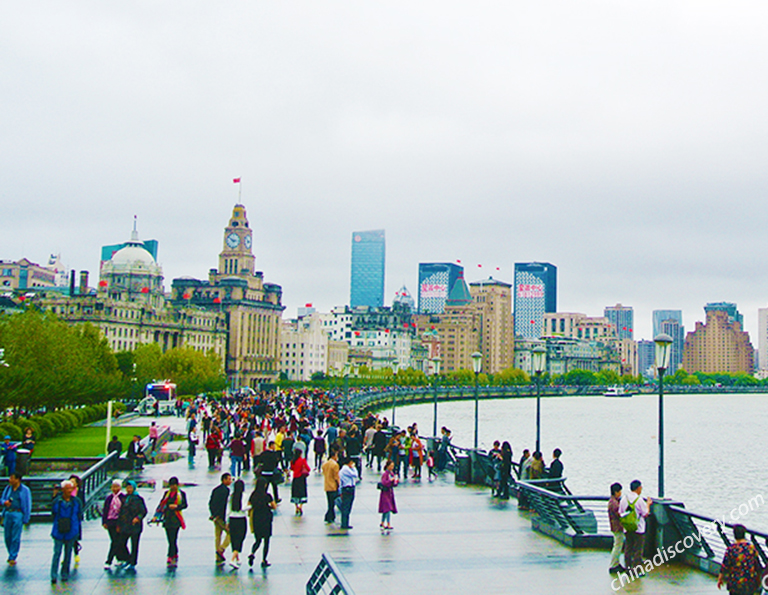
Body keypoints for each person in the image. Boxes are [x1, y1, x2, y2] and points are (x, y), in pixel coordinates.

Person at [50, 480, 83, 584]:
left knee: (68, 553)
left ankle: (65, 573)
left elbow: (79, 515)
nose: (69, 490)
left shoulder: (76, 501)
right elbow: (53, 513)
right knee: (57, 552)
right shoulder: (57, 501)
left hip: (72, 530)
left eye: (71, 488)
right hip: (58, 530)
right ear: (63, 489)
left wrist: (77, 531)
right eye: (67, 488)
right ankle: (54, 574)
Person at [717, 524, 762, 594]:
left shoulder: (731, 549)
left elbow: (725, 565)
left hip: (735, 583)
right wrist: (759, 580)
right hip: (749, 583)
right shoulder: (751, 548)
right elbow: (757, 565)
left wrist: (720, 578)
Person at [619, 479, 652, 571]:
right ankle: (636, 570)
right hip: (639, 529)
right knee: (638, 550)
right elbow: (645, 513)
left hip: (627, 528)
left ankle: (628, 568)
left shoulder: (624, 499)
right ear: (638, 488)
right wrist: (648, 505)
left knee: (628, 548)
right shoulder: (639, 500)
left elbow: (620, 512)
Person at [156, 476, 187, 568]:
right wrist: (156, 516)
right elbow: (162, 504)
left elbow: (185, 505)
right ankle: (174, 553)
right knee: (170, 538)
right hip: (167, 519)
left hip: (176, 519)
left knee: (173, 538)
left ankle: (170, 555)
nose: (173, 487)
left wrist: (177, 507)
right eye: (171, 485)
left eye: (174, 485)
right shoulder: (167, 494)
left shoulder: (181, 494)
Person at [2, 472, 31, 566]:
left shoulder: (24, 490)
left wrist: (26, 517)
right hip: (8, 513)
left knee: (15, 536)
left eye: (12, 478)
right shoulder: (8, 489)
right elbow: (2, 499)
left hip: (18, 513)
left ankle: (12, 556)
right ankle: (10, 551)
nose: (10, 480)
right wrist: (4, 502)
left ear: (17, 479)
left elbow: (27, 504)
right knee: (7, 536)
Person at [117, 479, 147, 571]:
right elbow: (121, 512)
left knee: (134, 544)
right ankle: (127, 558)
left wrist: (138, 518)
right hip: (125, 524)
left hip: (135, 526)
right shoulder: (124, 498)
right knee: (121, 543)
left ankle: (133, 562)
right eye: (127, 487)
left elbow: (143, 511)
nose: (128, 489)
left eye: (130, 487)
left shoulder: (138, 499)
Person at [248, 477, 277, 568]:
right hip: (266, 518)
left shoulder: (253, 495)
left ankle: (252, 553)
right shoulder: (267, 496)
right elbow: (274, 506)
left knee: (258, 540)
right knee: (266, 540)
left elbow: (249, 505)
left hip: (256, 518)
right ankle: (264, 560)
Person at [101, 480, 125, 569]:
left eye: (117, 487)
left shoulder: (123, 497)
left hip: (119, 523)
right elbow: (105, 510)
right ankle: (122, 558)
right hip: (110, 522)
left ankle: (109, 560)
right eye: (113, 487)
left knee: (115, 541)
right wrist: (104, 522)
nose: (115, 489)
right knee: (115, 541)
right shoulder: (109, 498)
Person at [209, 473, 232, 564]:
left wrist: (213, 514)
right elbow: (224, 504)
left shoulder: (215, 490)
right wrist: (219, 515)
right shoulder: (226, 490)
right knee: (230, 533)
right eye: (229, 479)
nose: (230, 481)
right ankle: (221, 549)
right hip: (221, 517)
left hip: (215, 516)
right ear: (224, 480)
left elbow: (211, 502)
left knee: (218, 535)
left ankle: (218, 556)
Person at [228, 479, 248, 569]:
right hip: (241, 518)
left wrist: (227, 521)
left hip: (232, 518)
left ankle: (237, 558)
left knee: (234, 538)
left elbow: (227, 510)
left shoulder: (231, 496)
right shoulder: (244, 496)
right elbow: (243, 507)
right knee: (240, 538)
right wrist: (250, 506)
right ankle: (232, 559)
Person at [607, 482, 625, 574]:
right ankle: (614, 564)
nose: (620, 493)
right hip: (617, 527)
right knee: (617, 546)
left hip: (615, 527)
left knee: (618, 545)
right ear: (615, 492)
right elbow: (619, 513)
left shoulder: (612, 501)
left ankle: (616, 563)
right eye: (619, 491)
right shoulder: (614, 503)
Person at [337, 458, 358, 530]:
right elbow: (355, 474)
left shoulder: (346, 469)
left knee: (348, 506)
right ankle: (344, 523)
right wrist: (354, 468)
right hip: (347, 488)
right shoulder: (345, 469)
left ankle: (346, 522)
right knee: (346, 506)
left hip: (349, 488)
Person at [378, 460, 399, 531]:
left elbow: (394, 484)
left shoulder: (391, 473)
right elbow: (384, 482)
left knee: (386, 509)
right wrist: (390, 481)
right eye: (391, 466)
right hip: (385, 493)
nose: (392, 467)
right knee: (388, 508)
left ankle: (382, 522)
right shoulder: (385, 474)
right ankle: (388, 523)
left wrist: (395, 481)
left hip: (390, 493)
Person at [290, 448, 311, 516]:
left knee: (295, 493)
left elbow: (292, 468)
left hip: (295, 478)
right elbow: (308, 469)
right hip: (301, 478)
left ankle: (296, 507)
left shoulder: (293, 461)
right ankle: (300, 506)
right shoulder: (302, 460)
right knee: (302, 492)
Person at [322, 449, 340, 524]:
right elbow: (336, 477)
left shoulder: (325, 464)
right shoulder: (335, 465)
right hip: (333, 486)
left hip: (327, 485)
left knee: (330, 502)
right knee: (332, 503)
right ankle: (329, 516)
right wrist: (339, 484)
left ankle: (331, 516)